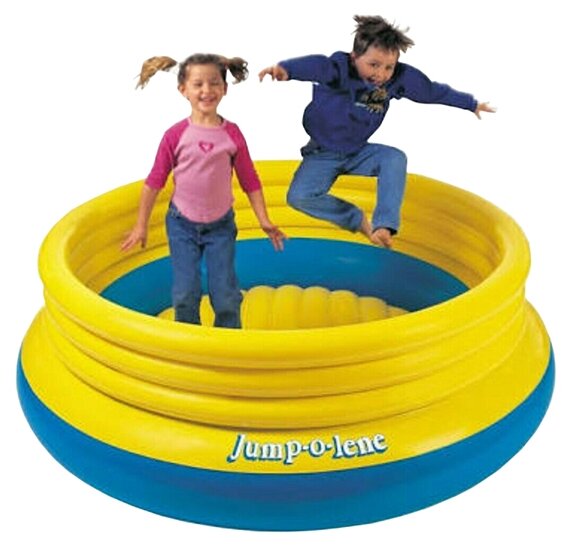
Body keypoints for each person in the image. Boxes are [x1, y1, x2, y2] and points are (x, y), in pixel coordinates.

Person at [259, 15, 495, 248]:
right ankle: (357, 219)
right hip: (323, 153)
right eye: (373, 65)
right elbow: (318, 66)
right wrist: (286, 70)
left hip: (358, 151)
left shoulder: (397, 79)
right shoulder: (339, 69)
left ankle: (384, 225)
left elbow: (431, 91)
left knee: (394, 158)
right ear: (354, 57)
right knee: (298, 197)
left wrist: (470, 104)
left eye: (388, 67)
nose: (381, 74)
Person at [122, 53, 286, 329]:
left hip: (220, 226)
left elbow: (249, 180)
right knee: (185, 294)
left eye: (214, 83)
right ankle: (189, 347)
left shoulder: (232, 134)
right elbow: (154, 182)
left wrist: (264, 219)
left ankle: (229, 342)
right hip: (182, 224)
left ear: (225, 88)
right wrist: (141, 225)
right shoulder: (175, 135)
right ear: (183, 90)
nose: (206, 90)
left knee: (225, 295)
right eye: (198, 84)